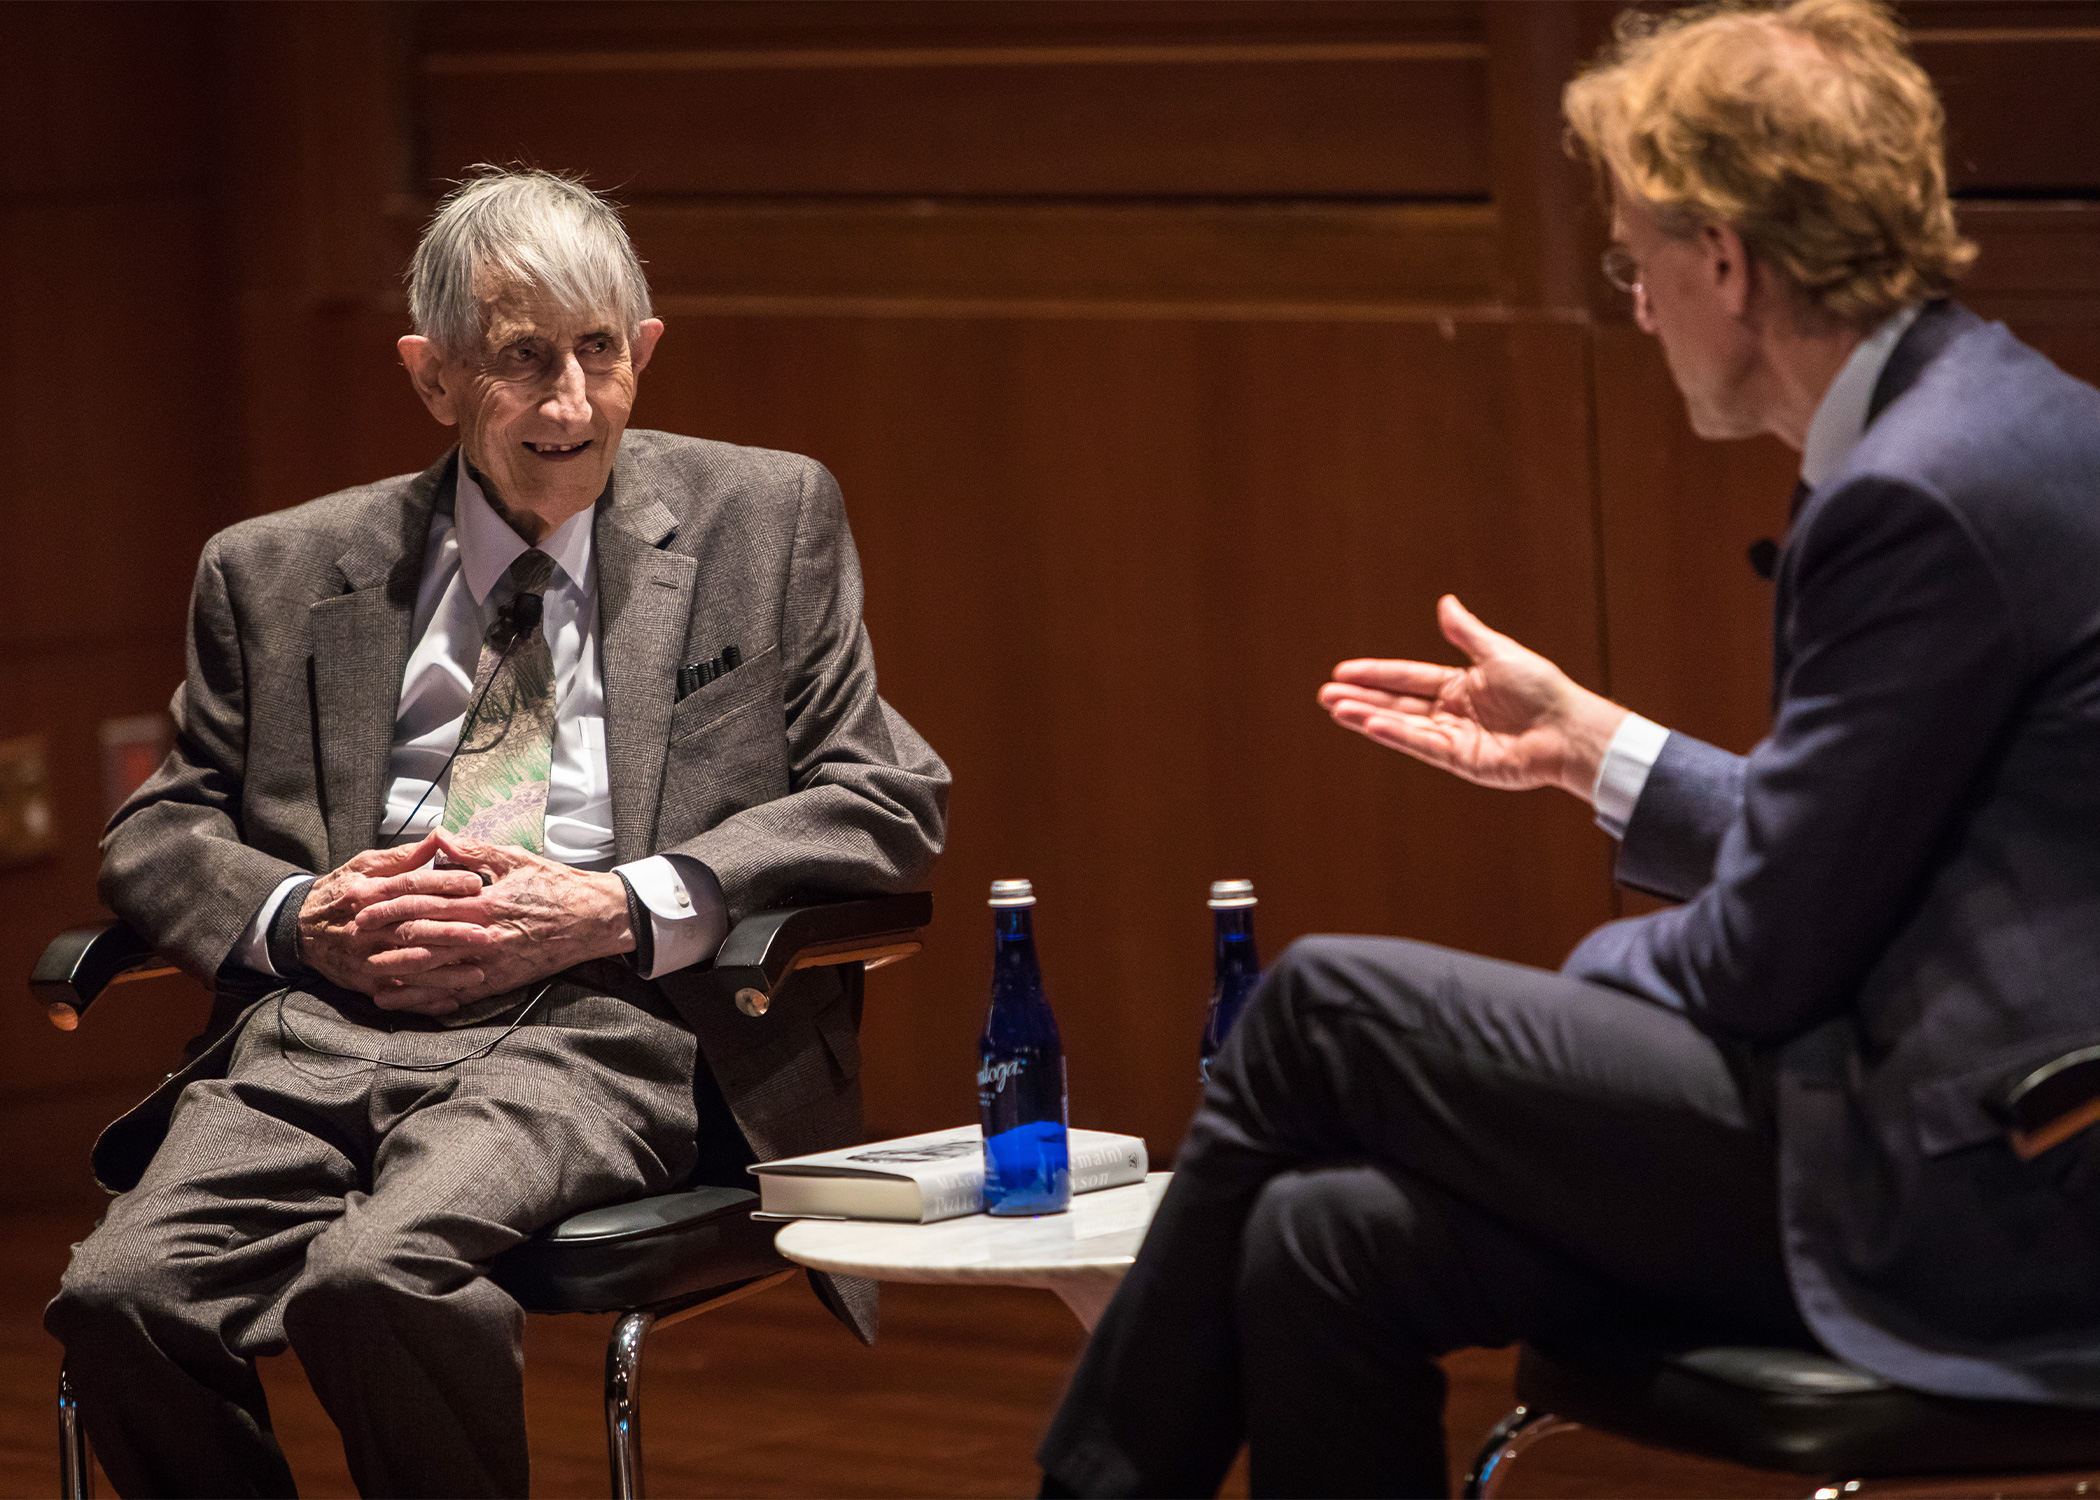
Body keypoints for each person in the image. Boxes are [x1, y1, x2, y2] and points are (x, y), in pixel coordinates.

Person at [1038, 2, 2100, 1495]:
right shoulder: (1981, 418)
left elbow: (1764, 961)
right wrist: (1598, 750)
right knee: (1318, 1241)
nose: (1638, 303)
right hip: (1948, 1129)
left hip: (1972, 1193)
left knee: (1330, 1012)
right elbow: (1873, 841)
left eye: (1635, 262)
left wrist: (1565, 1019)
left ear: (1723, 260)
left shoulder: (1916, 494)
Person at [46, 168, 949, 1498]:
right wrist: (302, 920)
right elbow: (162, 827)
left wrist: (621, 905)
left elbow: (887, 797)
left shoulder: (764, 522)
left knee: (375, 1279)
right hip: (322, 1027)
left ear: (643, 351)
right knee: (118, 1295)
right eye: (524, 362)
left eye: (599, 353)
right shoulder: (277, 569)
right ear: (433, 376)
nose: (572, 404)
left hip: (594, 1028)